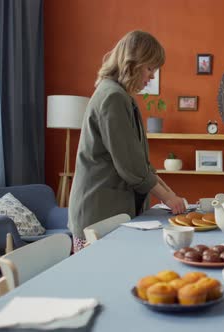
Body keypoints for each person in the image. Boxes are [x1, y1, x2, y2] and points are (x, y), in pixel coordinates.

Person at [68, 30, 187, 252]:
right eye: (150, 68)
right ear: (132, 63)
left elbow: (142, 164)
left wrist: (171, 196)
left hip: (106, 211)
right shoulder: (113, 97)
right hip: (98, 213)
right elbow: (131, 166)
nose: (152, 76)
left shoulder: (119, 95)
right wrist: (170, 199)